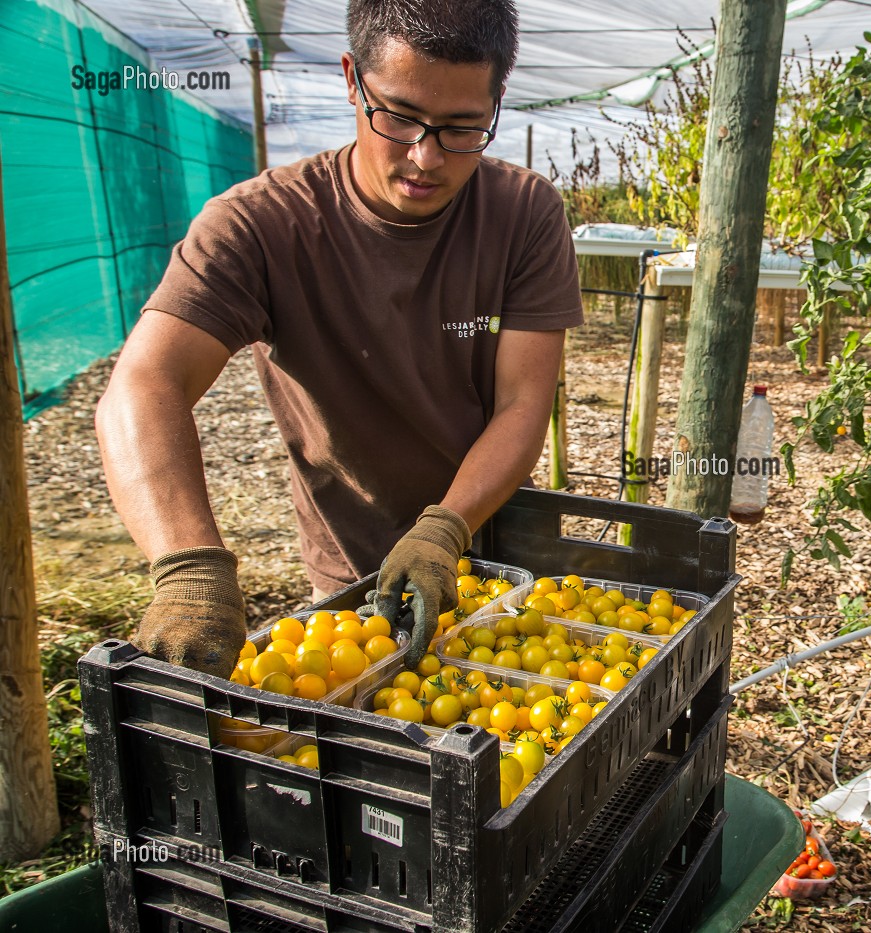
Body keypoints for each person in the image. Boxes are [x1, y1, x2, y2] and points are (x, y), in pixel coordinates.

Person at [94, 0, 581, 676]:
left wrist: (446, 527)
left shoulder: (524, 214)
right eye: (400, 117)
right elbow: (144, 384)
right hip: (348, 581)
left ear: (496, 105)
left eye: (462, 129)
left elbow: (523, 404)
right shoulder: (259, 227)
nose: (425, 157)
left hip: (497, 565)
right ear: (353, 79)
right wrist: (188, 566)